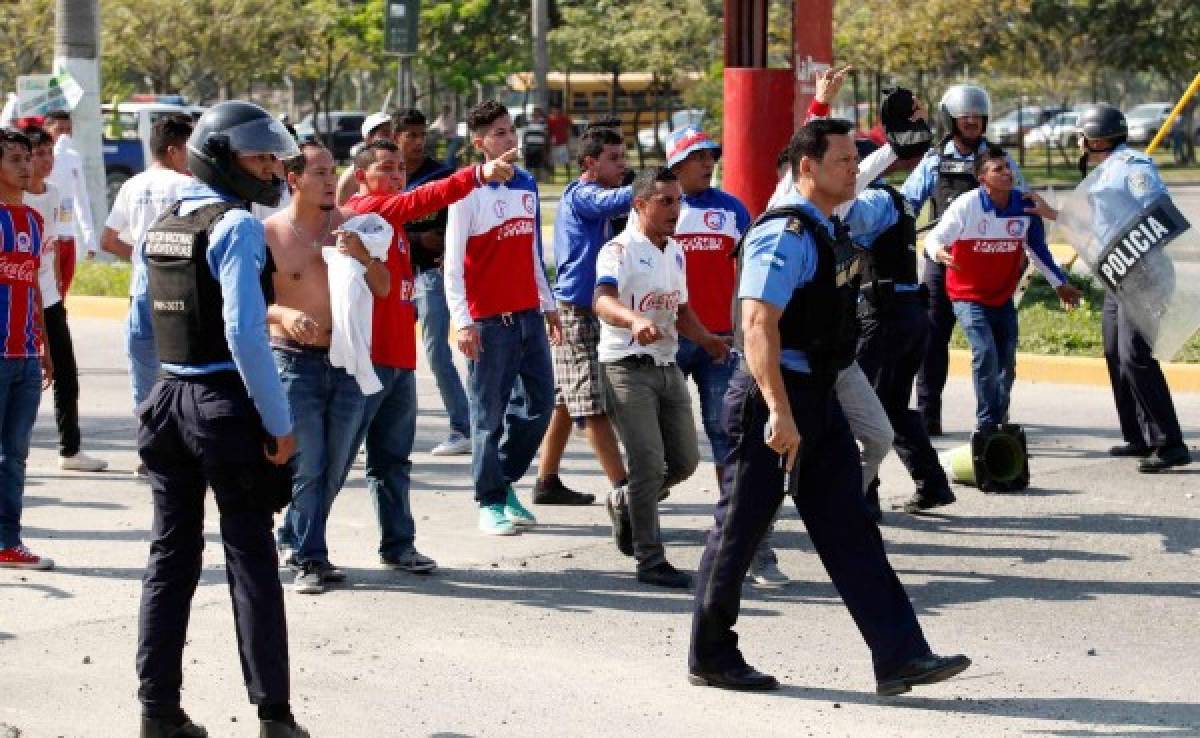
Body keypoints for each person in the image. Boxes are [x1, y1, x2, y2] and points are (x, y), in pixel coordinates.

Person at [688, 118, 970, 695]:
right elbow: (757, 325)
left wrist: (918, 147)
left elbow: (896, 203)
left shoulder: (838, 219)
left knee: (852, 528)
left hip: (818, 398)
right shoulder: (783, 235)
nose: (853, 167)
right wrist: (779, 412)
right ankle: (711, 654)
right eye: (844, 160)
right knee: (738, 532)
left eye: (854, 158)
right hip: (771, 404)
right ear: (807, 168)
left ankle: (900, 657)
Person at [132, 101, 309, 737]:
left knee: (168, 561)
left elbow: (138, 324)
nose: (270, 167)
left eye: (272, 155)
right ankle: (275, 717)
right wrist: (279, 420)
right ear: (220, 157)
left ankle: (158, 712)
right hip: (222, 408)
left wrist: (147, 404)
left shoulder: (163, 224)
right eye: (258, 156)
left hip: (167, 402)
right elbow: (243, 330)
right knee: (251, 559)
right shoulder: (234, 227)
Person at [344, 139, 517, 568]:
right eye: (386, 168)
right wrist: (476, 175)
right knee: (333, 464)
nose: (398, 176)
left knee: (392, 463)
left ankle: (398, 546)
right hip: (367, 364)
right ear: (362, 177)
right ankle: (302, 545)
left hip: (399, 362)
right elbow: (428, 196)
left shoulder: (393, 226)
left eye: (401, 168)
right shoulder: (368, 212)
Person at [1034, 104, 1191, 472]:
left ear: (1097, 138)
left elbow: (1156, 206)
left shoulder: (1133, 166)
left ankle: (1169, 443)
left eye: (1083, 135)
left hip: (1145, 275)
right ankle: (1137, 435)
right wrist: (1051, 213)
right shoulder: (1104, 171)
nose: (1079, 142)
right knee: (1114, 352)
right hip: (1116, 275)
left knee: (1135, 355)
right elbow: (1097, 223)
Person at [263, 140, 388, 595]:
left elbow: (384, 286)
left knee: (334, 467)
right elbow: (247, 306)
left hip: (347, 360)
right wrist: (285, 315)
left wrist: (362, 255)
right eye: (318, 173)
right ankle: (311, 557)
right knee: (310, 462)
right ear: (293, 179)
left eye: (332, 172)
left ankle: (295, 535)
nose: (330, 180)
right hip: (294, 362)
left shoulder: (353, 227)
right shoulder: (270, 234)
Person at [595, 167, 729, 587]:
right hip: (626, 367)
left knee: (685, 461)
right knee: (649, 464)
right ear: (640, 205)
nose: (676, 209)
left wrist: (708, 340)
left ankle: (626, 499)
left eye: (679, 200)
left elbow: (681, 309)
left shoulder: (675, 251)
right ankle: (650, 560)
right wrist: (633, 321)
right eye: (666, 201)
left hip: (666, 365)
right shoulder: (618, 250)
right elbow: (601, 299)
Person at [445, 100, 561, 535]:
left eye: (510, 130)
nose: (509, 139)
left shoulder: (527, 185)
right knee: (487, 416)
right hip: (488, 322)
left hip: (528, 315)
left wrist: (548, 305)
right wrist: (462, 320)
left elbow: (532, 251)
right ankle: (489, 499)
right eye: (498, 133)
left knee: (540, 405)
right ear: (479, 144)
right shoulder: (465, 191)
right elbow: (452, 264)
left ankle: (503, 478)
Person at [925, 146, 1080, 431]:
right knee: (985, 354)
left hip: (1002, 297)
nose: (1007, 173)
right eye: (999, 169)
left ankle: (999, 417)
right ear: (982, 178)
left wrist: (1061, 284)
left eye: (1008, 167)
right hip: (967, 295)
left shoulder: (1025, 206)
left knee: (1006, 365)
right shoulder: (966, 205)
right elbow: (933, 239)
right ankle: (987, 425)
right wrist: (939, 253)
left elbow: (1038, 251)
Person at [903, 84, 1021, 436]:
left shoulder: (1001, 160)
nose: (971, 122)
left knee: (998, 349)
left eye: (977, 116)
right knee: (932, 338)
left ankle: (995, 417)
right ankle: (928, 414)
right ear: (951, 120)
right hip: (944, 263)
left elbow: (1022, 201)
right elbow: (908, 201)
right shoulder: (934, 160)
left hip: (988, 266)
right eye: (964, 116)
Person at [852, 139, 956, 515]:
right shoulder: (893, 199)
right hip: (905, 312)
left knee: (859, 409)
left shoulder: (871, 203)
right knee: (892, 405)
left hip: (884, 316)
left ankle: (865, 499)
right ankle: (931, 484)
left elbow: (847, 227)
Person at [534, 126, 633, 512]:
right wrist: (654, 182)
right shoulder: (583, 195)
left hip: (586, 309)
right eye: (614, 158)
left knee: (566, 400)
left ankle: (546, 480)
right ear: (589, 164)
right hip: (578, 311)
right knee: (592, 404)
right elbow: (616, 202)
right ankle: (624, 489)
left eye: (623, 157)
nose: (622, 165)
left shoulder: (597, 195)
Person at [21, 126, 106, 473]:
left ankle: (70, 449)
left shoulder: (53, 193)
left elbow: (52, 245)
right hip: (22, 299)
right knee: (19, 376)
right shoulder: (13, 200)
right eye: (34, 155)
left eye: (46, 153)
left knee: (66, 374)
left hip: (50, 298)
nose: (42, 161)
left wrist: (57, 285)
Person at [101, 115, 195, 415]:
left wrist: (143, 258)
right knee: (184, 374)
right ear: (173, 150)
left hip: (142, 288)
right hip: (181, 289)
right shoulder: (188, 187)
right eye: (189, 148)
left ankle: (148, 451)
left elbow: (108, 240)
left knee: (144, 379)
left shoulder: (131, 185)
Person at [393, 108, 473, 457]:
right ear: (395, 137)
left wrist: (445, 245)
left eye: (421, 134)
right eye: (410, 135)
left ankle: (463, 426)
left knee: (436, 350)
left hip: (429, 275)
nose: (417, 141)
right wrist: (415, 238)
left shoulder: (440, 176)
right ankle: (380, 427)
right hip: (392, 277)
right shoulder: (387, 176)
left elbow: (458, 222)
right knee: (385, 353)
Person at [0, 128, 55, 571]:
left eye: (28, 158)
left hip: (24, 356)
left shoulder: (34, 222)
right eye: (15, 158)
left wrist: (45, 346)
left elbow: (34, 285)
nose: (26, 166)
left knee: (15, 454)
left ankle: (8, 540)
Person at [42, 110, 97, 288]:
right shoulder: (38, 159)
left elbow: (81, 198)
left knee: (63, 289)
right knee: (49, 291)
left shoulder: (73, 158)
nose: (65, 135)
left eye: (68, 130)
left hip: (68, 235)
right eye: (59, 130)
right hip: (48, 237)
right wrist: (54, 155)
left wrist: (89, 237)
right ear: (47, 130)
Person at [335, 111, 393, 206]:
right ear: (368, 137)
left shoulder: (398, 171)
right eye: (386, 133)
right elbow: (342, 214)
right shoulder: (351, 177)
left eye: (393, 133)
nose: (391, 138)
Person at [547, 106, 571, 180]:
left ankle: (568, 177)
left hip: (563, 143)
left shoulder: (564, 118)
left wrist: (568, 140)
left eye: (556, 109)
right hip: (554, 144)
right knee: (552, 162)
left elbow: (569, 128)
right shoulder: (550, 119)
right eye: (553, 109)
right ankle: (552, 177)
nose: (555, 111)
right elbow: (548, 131)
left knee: (566, 161)